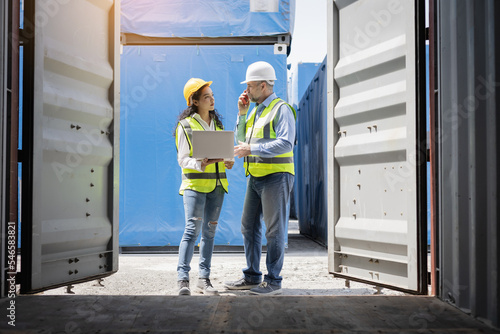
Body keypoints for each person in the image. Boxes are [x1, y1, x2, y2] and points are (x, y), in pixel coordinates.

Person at [224, 61, 296, 295]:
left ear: (263, 86)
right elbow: (242, 138)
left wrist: (252, 151)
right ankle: (252, 277)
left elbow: (286, 142)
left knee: (274, 231)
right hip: (255, 177)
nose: (247, 91)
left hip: (276, 177)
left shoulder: (281, 108)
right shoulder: (254, 110)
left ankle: (273, 281)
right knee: (248, 226)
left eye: (251, 86)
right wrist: (242, 114)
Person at [175, 78, 234, 296]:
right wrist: (200, 163)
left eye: (212, 95)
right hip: (195, 186)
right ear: (195, 101)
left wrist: (228, 160)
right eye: (207, 96)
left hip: (218, 186)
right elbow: (182, 159)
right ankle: (183, 279)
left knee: (209, 233)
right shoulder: (186, 126)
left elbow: (224, 153)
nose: (212, 100)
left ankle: (204, 279)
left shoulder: (217, 124)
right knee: (192, 231)